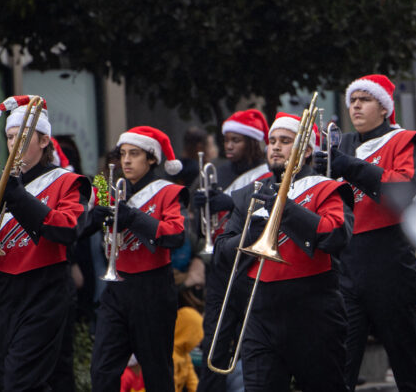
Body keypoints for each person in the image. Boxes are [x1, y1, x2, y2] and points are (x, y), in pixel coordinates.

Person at [215, 112, 354, 392]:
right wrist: (249, 235)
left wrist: (286, 209)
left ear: (306, 151)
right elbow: (221, 254)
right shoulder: (247, 194)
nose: (276, 146)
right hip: (260, 312)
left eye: (286, 141)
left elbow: (336, 236)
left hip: (313, 310)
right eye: (272, 140)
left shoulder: (326, 188)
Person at [0, 95, 91, 390]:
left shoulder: (67, 182)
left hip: (46, 291)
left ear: (44, 140)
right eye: (9, 136)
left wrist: (17, 195)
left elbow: (68, 229)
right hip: (5, 295)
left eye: (21, 136)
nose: (13, 144)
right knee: (4, 380)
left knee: (21, 383)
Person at [316, 74, 416, 391]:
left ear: (384, 107)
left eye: (364, 99)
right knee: (341, 364)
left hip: (389, 260)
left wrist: (348, 166)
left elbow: (402, 190)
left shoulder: (403, 140)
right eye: (352, 100)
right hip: (346, 263)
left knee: (407, 364)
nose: (355, 106)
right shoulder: (341, 143)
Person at [86, 126, 189, 391]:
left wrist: (132, 217)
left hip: (153, 288)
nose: (126, 161)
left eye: (134, 154)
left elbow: (176, 236)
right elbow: (76, 228)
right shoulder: (105, 185)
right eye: (122, 154)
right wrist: (91, 218)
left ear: (152, 158)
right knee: (101, 369)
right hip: (116, 287)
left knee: (157, 372)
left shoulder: (168, 190)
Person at [195, 108, 270, 392]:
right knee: (213, 339)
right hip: (221, 266)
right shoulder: (217, 170)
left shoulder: (267, 172)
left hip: (252, 266)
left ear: (252, 142)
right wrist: (199, 204)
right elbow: (202, 229)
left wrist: (227, 202)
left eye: (236, 140)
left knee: (254, 342)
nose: (228, 145)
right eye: (226, 139)